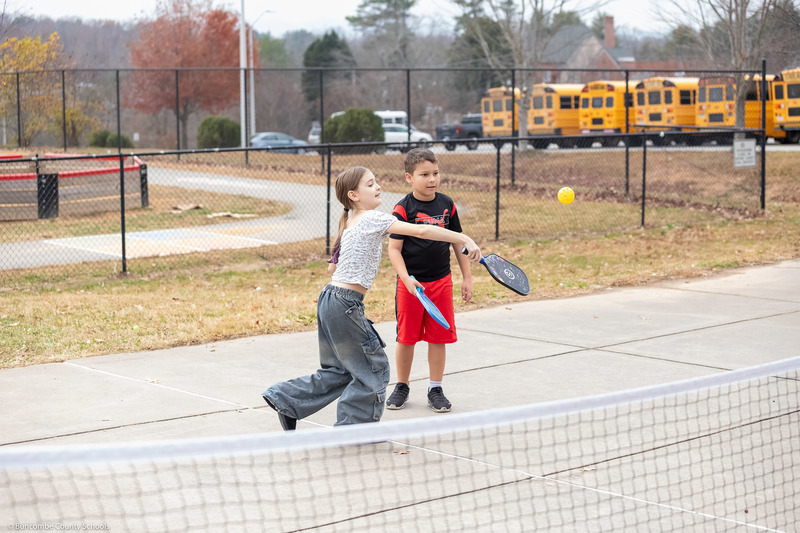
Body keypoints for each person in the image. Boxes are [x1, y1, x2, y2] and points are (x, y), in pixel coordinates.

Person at [261, 166, 482, 429]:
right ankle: (353, 430)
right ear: (354, 195)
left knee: (339, 371)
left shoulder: (351, 220)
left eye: (376, 182)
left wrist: (407, 277)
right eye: (370, 184)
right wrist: (464, 237)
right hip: (345, 304)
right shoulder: (370, 219)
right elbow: (421, 231)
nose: (378, 187)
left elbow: (332, 268)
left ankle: (286, 401)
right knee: (374, 368)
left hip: (329, 299)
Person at [385, 148, 472, 414]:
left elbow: (459, 244)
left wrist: (467, 277)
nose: (432, 179)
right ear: (409, 177)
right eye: (424, 174)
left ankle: (436, 388)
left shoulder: (448, 204)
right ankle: (402, 385)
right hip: (411, 286)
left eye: (435, 173)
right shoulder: (402, 208)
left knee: (438, 337)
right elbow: (394, 249)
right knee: (406, 338)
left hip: (441, 283)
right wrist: (406, 280)